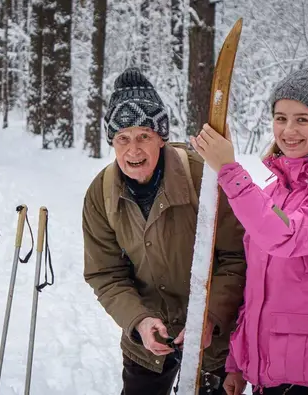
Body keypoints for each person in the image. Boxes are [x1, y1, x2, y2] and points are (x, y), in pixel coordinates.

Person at [190, 68, 308, 395]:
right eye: (280, 117)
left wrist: (230, 170)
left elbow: (285, 237)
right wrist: (238, 363)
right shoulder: (276, 190)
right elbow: (257, 288)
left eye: (302, 119)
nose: (288, 130)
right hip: (267, 373)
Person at [82, 67, 247, 395]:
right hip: (147, 340)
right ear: (111, 142)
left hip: (211, 343)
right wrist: (139, 321)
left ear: (161, 136)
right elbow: (105, 273)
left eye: (143, 135)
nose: (133, 150)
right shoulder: (101, 193)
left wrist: (210, 318)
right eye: (122, 138)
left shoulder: (205, 179)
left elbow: (238, 257)